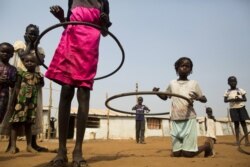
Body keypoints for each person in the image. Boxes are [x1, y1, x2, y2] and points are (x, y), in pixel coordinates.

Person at [45, 1, 111, 167]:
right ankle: (61, 151)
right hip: (70, 44)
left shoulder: (103, 1)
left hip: (89, 47)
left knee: (83, 92)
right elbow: (67, 23)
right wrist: (61, 17)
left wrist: (103, 23)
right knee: (66, 90)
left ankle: (78, 151)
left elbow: (105, 33)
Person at [153, 57, 213, 158]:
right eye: (182, 66)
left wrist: (197, 97)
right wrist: (157, 93)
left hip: (188, 120)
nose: (184, 68)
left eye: (187, 66)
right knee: (176, 154)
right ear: (177, 68)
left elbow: (204, 99)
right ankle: (185, 149)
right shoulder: (172, 83)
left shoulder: (194, 83)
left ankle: (207, 146)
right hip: (175, 119)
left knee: (188, 154)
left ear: (191, 69)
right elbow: (165, 97)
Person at [6, 24, 48, 152]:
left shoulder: (39, 49)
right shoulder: (20, 44)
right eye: (30, 33)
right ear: (25, 34)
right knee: (15, 113)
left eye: (35, 34)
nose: (32, 36)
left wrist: (34, 45)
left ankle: (33, 144)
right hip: (19, 83)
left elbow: (40, 61)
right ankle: (11, 144)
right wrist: (30, 44)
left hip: (34, 83)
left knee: (33, 114)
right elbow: (23, 57)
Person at [8, 54, 44, 154]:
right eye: (27, 61)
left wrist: (41, 78)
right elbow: (17, 88)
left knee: (29, 124)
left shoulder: (38, 75)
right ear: (24, 62)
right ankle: (13, 146)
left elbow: (41, 85)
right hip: (21, 102)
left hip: (32, 104)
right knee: (15, 123)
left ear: (36, 63)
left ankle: (29, 146)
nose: (29, 63)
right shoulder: (21, 74)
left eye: (32, 61)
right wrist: (14, 101)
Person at [224, 76, 250, 146]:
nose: (233, 83)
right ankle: (237, 141)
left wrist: (239, 99)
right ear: (228, 83)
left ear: (236, 82)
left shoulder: (240, 90)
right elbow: (225, 100)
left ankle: (247, 141)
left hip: (241, 108)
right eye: (231, 82)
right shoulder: (227, 91)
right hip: (233, 109)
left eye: (234, 81)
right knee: (236, 124)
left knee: (243, 123)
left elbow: (245, 99)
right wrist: (232, 100)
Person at [0, 42, 17, 123]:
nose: (5, 54)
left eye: (7, 52)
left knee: (1, 114)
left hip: (3, 96)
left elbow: (13, 84)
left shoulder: (13, 69)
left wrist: (8, 81)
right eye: (2, 51)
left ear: (12, 55)